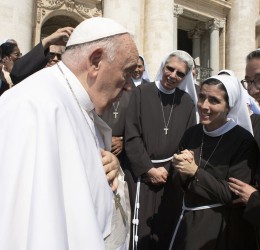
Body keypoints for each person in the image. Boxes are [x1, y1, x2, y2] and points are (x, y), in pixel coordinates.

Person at [0, 17, 138, 250]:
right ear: (95, 61)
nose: (128, 86)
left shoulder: (80, 103)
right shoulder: (32, 106)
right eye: (127, 72)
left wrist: (110, 166)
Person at [170, 75, 259, 250]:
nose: (204, 105)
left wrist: (195, 172)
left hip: (221, 226)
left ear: (229, 106)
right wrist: (179, 167)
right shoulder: (192, 133)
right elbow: (177, 179)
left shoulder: (243, 140)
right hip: (189, 219)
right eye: (202, 97)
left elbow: (233, 194)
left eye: (214, 101)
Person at [124, 50, 197, 249]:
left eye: (180, 73)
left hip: (170, 178)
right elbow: (131, 134)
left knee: (165, 229)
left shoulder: (187, 102)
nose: (173, 76)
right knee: (139, 231)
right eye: (170, 68)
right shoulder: (141, 93)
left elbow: (188, 144)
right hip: (142, 175)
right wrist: (149, 169)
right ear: (163, 67)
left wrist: (168, 169)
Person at [101, 55, 150, 165]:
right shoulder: (102, 88)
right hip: (101, 144)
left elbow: (138, 122)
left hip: (125, 148)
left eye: (139, 66)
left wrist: (123, 140)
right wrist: (105, 138)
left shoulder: (137, 91)